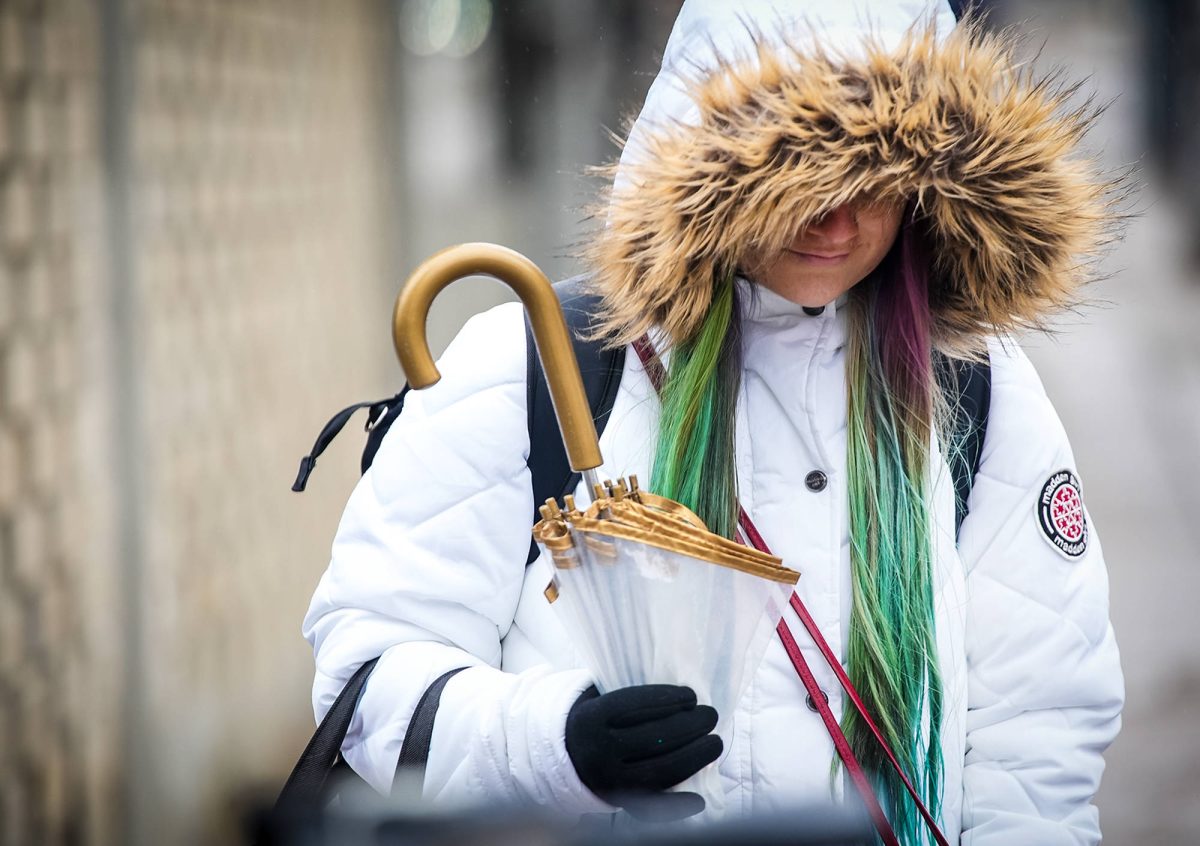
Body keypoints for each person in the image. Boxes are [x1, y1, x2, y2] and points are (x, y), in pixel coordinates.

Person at [302, 1, 1124, 842]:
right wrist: (557, 746)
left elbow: (1038, 728)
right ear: (709, 168)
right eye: (798, 178)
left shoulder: (978, 391)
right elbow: (367, 672)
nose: (836, 223)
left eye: (875, 181)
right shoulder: (541, 367)